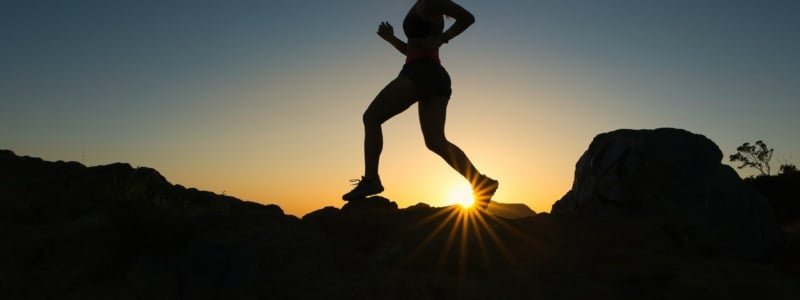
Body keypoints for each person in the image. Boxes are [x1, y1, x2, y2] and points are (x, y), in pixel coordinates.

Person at [343, 0, 498, 209]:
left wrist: (443, 38)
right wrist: (391, 39)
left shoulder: (431, 1)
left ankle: (371, 181)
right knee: (435, 141)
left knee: (371, 118)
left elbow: (467, 18)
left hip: (422, 72)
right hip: (434, 76)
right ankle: (481, 182)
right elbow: (411, 49)